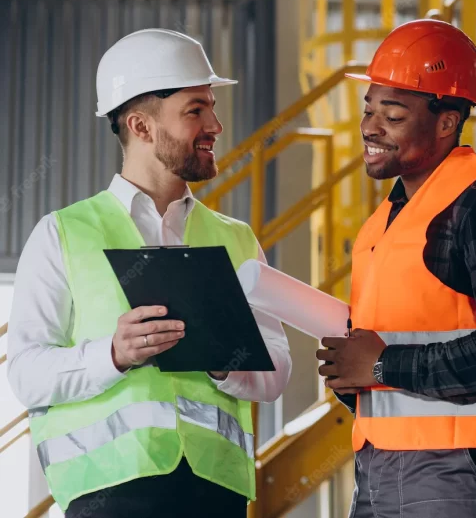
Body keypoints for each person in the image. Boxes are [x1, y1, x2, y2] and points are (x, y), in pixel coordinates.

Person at [6, 28, 292, 518]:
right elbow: (25, 373)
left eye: (212, 107)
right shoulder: (63, 234)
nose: (216, 125)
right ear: (141, 126)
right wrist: (112, 354)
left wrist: (223, 359)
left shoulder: (237, 237)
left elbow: (278, 370)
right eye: (195, 110)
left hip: (215, 492)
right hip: (108, 494)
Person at [315, 19, 476, 517]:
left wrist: (384, 365)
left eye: (392, 115)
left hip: (465, 468)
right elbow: (401, 359)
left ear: (447, 121)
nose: (370, 127)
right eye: (369, 111)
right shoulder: (381, 226)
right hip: (377, 467)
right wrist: (354, 378)